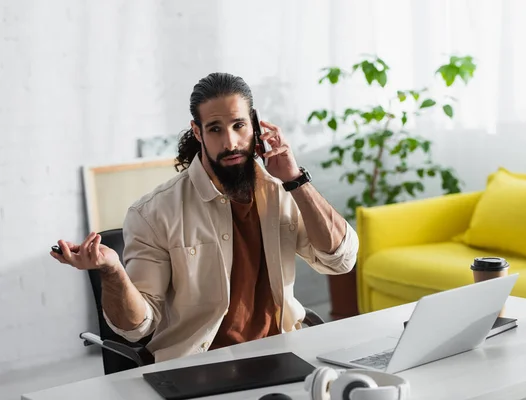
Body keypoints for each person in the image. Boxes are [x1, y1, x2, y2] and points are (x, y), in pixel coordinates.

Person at [50, 72, 358, 363]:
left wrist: (295, 179)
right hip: (197, 367)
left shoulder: (282, 192)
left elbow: (339, 260)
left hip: (281, 353)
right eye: (215, 129)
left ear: (256, 126)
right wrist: (112, 270)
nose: (230, 142)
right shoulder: (153, 212)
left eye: (239, 125)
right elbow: (136, 328)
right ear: (197, 131)